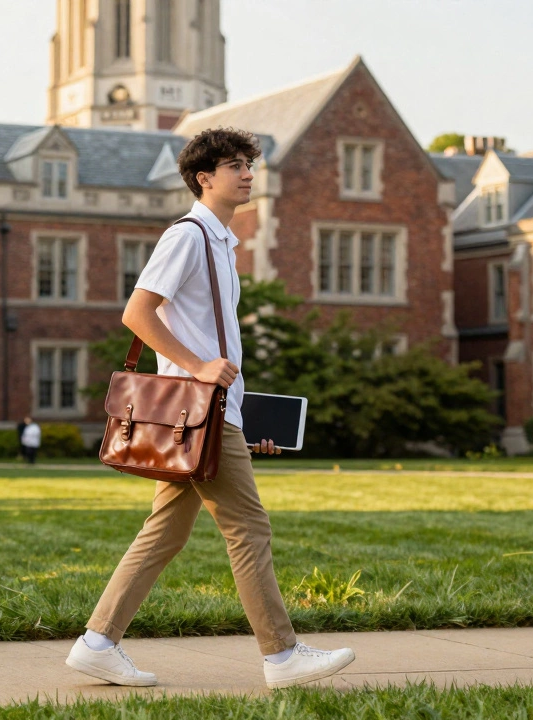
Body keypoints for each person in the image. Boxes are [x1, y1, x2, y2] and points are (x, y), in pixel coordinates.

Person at [65, 128, 355, 690]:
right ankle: (282, 656)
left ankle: (97, 643)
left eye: (249, 164)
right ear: (205, 178)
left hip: (210, 415)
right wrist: (198, 366)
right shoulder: (189, 235)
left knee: (165, 533)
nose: (248, 173)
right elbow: (138, 313)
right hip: (198, 408)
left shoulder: (222, 242)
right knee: (248, 526)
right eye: (235, 165)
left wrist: (244, 425)